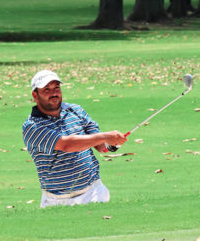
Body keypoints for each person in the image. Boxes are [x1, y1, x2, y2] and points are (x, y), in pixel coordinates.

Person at [22, 70, 127, 208]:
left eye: (56, 88)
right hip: (56, 200)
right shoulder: (32, 126)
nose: (54, 93)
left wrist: (113, 144)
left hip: (93, 192)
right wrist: (106, 136)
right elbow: (66, 144)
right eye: (46, 89)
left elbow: (101, 147)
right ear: (35, 95)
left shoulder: (76, 111)